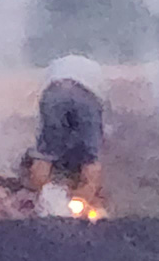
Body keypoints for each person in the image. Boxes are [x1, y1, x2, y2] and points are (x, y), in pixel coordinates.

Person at [24, 54, 106, 204]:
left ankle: (44, 201)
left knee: (45, 154)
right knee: (90, 157)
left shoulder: (55, 64)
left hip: (53, 93)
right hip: (88, 95)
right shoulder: (96, 69)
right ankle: (87, 200)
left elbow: (44, 99)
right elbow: (100, 113)